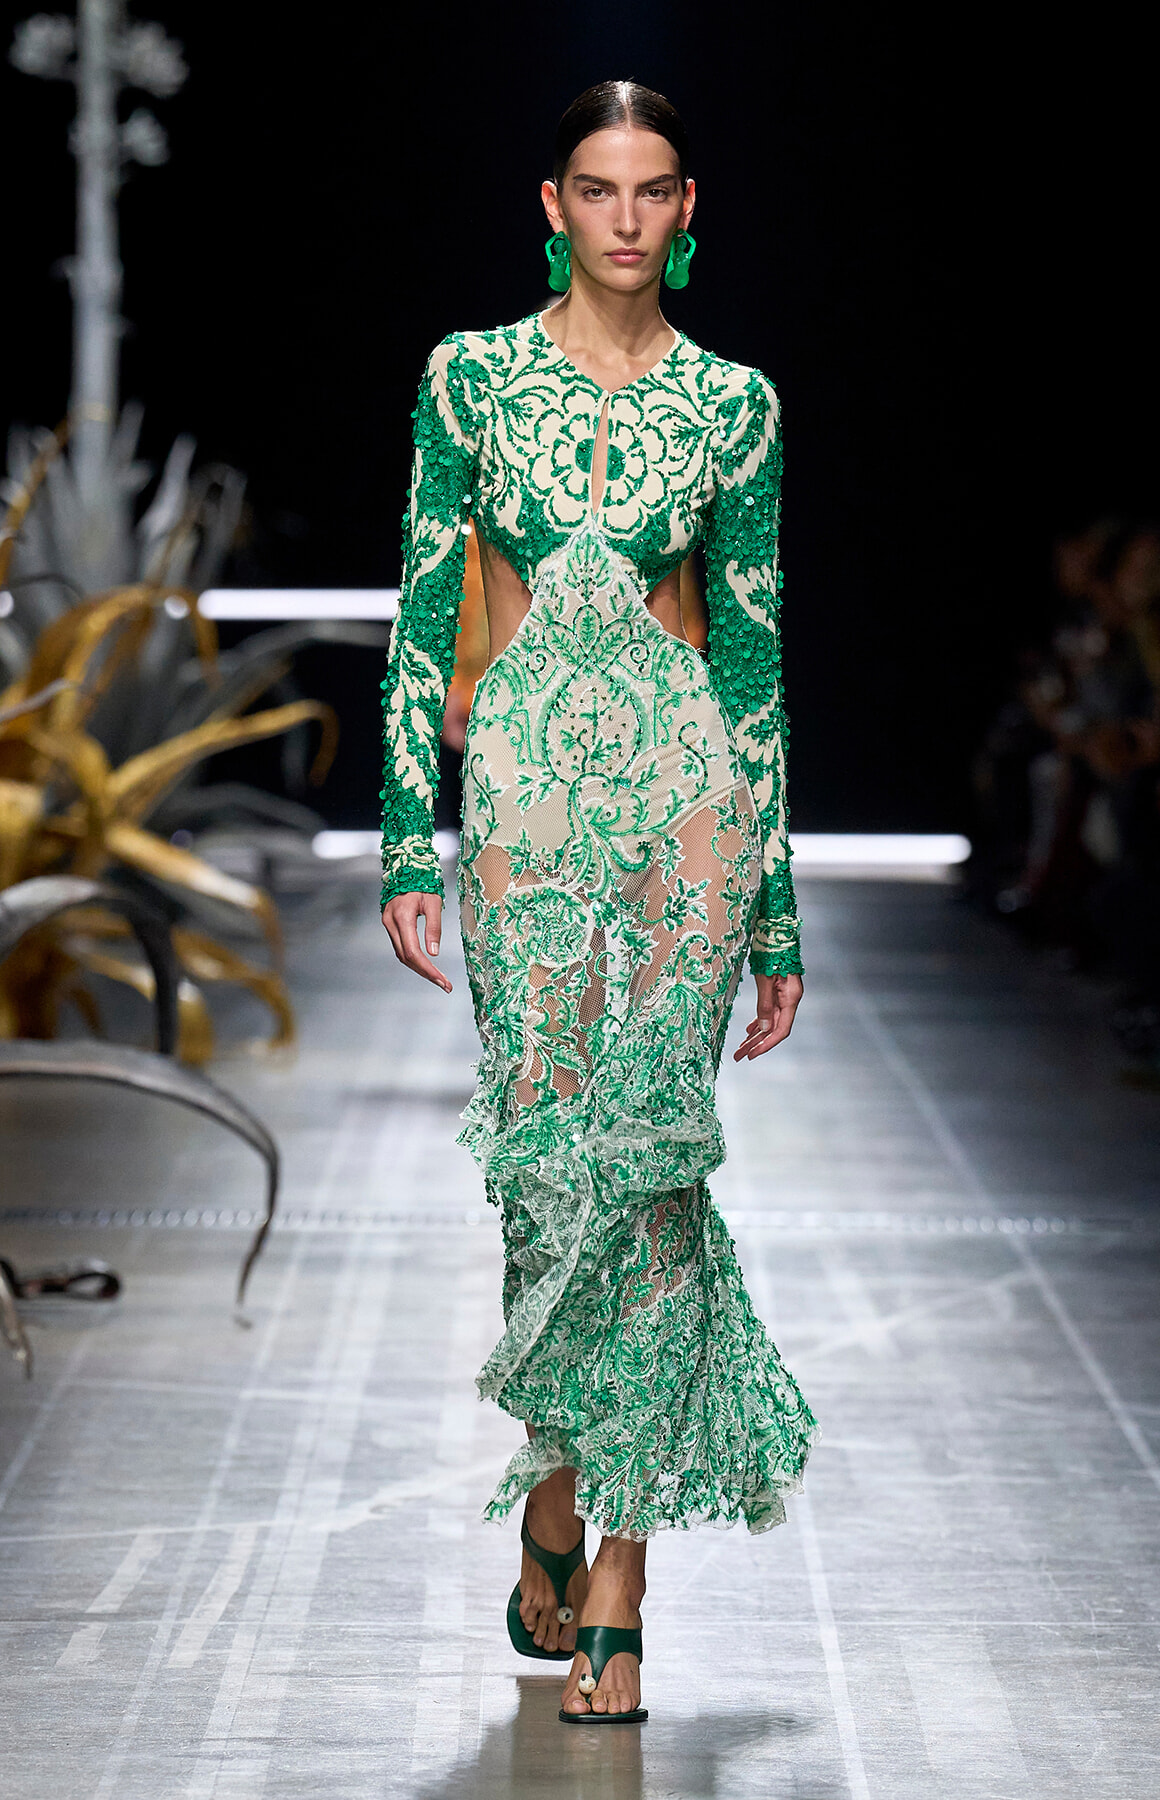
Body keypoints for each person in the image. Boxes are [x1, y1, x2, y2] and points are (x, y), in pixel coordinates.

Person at [380, 79, 817, 1726]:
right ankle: (554, 1498)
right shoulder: (469, 381)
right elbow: (426, 617)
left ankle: (620, 1587)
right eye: (595, 187)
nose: (624, 217)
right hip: (524, 822)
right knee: (546, 1174)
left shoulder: (739, 408)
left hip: (687, 821)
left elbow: (759, 664)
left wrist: (773, 914)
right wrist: (405, 843)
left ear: (688, 209)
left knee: (647, 1171)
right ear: (550, 203)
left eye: (652, 191)